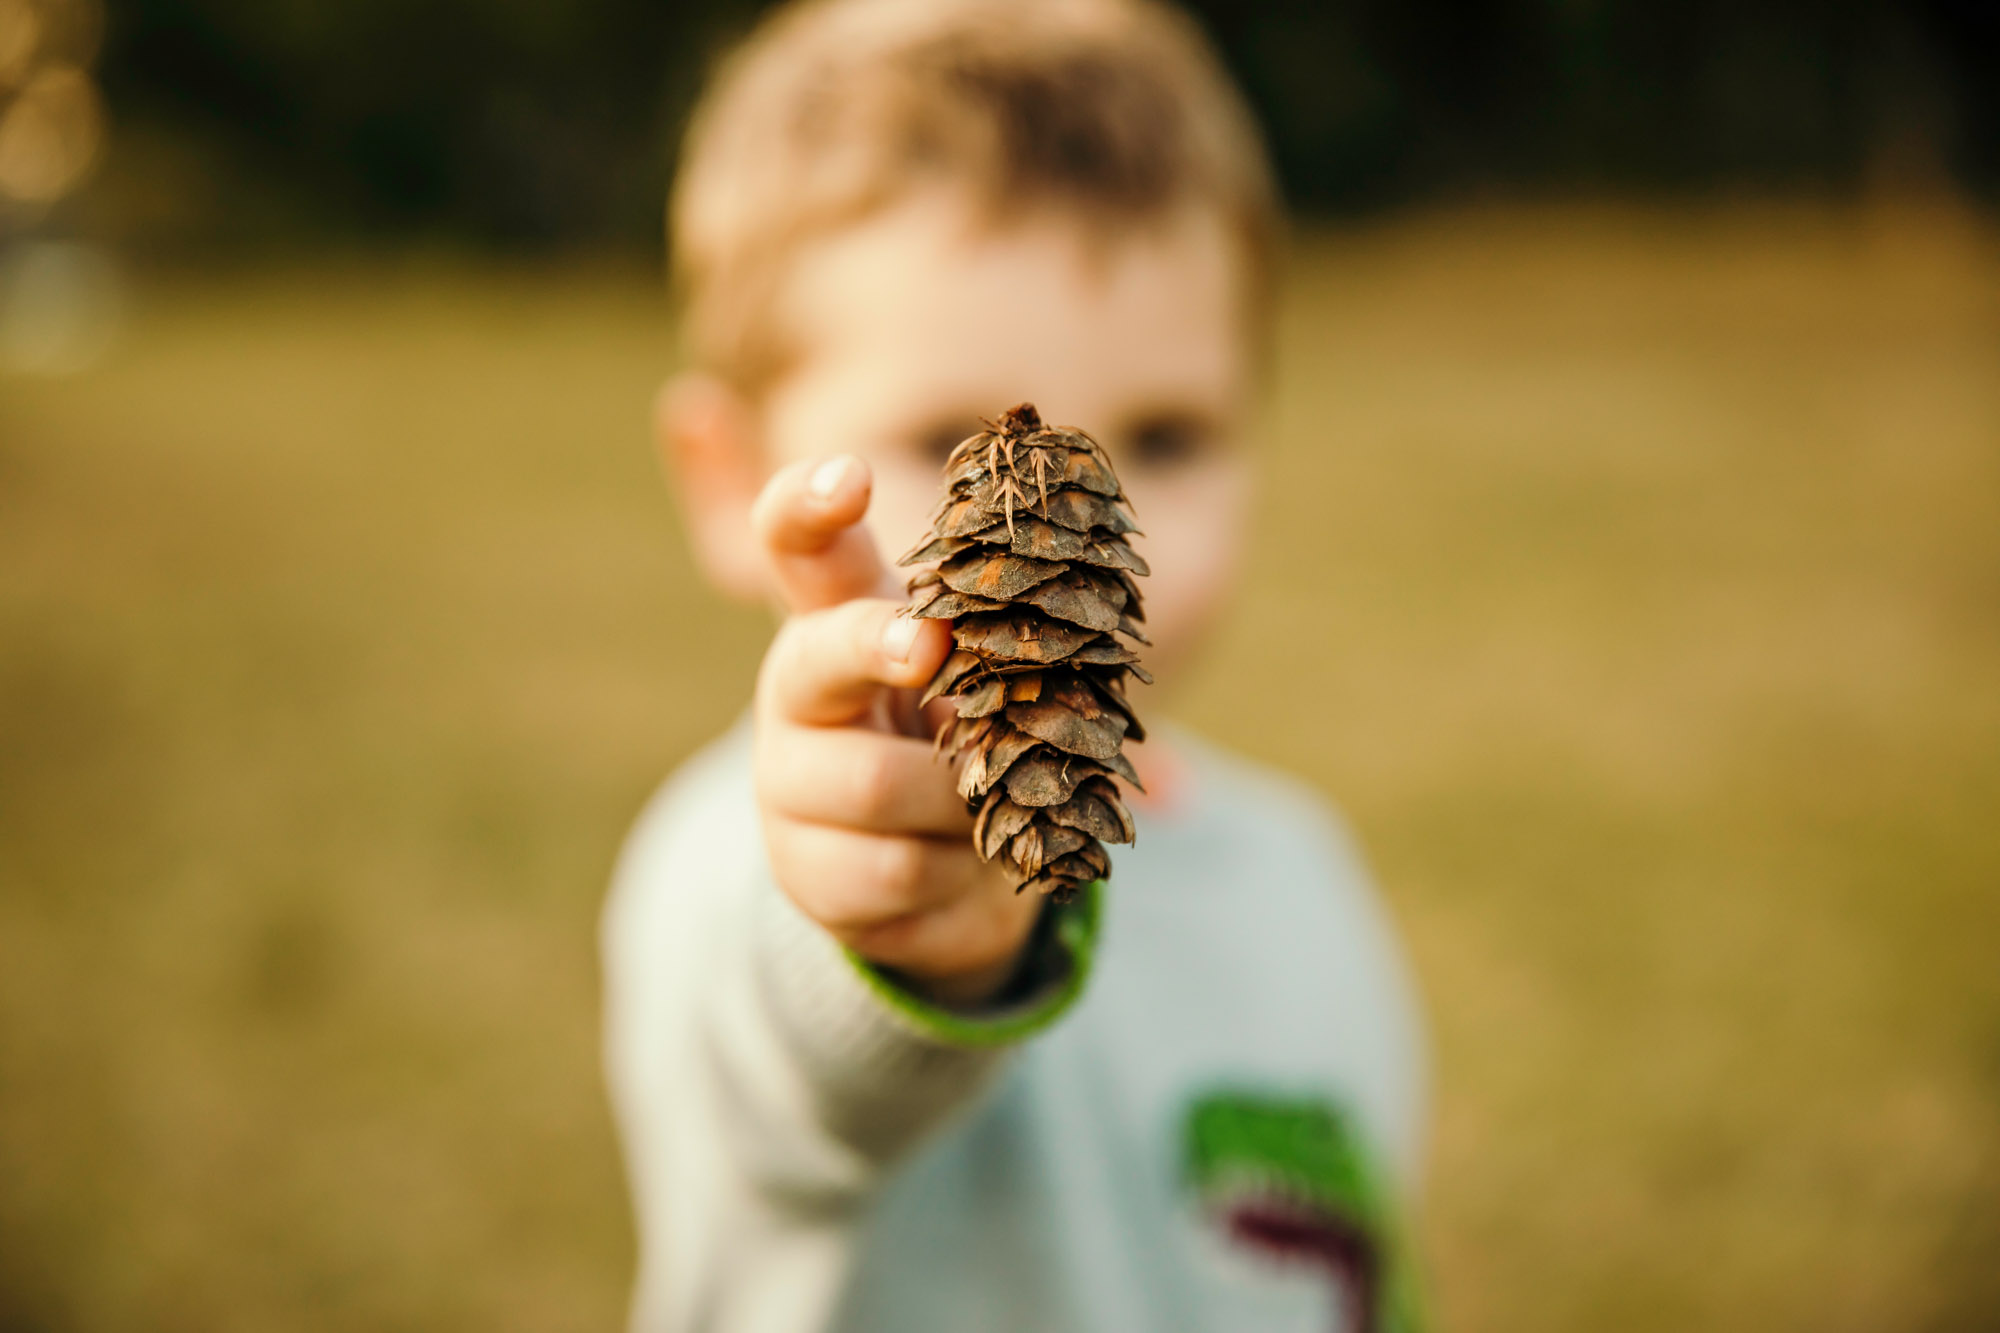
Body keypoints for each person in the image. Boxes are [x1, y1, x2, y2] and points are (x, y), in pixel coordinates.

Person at [601, 1, 1428, 1328]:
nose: (1077, 537)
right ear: (730, 479)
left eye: (1163, 438)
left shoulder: (1306, 874)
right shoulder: (747, 856)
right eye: (950, 439)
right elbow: (798, 1057)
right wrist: (909, 945)